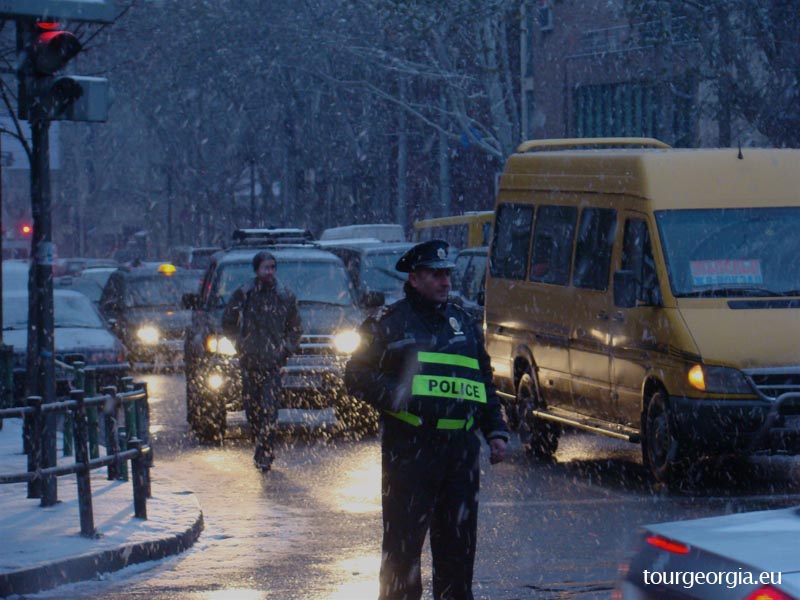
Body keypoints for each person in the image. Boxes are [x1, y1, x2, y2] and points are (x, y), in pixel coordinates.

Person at [345, 239, 509, 600]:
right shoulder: (389, 323)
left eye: (447, 274)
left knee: (457, 552)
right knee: (403, 553)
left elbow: (481, 380)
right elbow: (355, 375)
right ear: (415, 278)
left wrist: (495, 430)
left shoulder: (463, 324)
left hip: (461, 454)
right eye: (436, 275)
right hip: (411, 450)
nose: (445, 282)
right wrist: (399, 394)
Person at [222, 250, 302, 471]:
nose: (270, 272)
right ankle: (260, 440)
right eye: (266, 268)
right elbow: (227, 321)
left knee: (270, 409)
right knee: (252, 410)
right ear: (257, 270)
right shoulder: (245, 294)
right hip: (249, 363)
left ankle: (265, 451)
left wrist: (285, 348)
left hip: (272, 364)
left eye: (272, 268)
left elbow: (296, 327)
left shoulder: (284, 295)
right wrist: (240, 343)